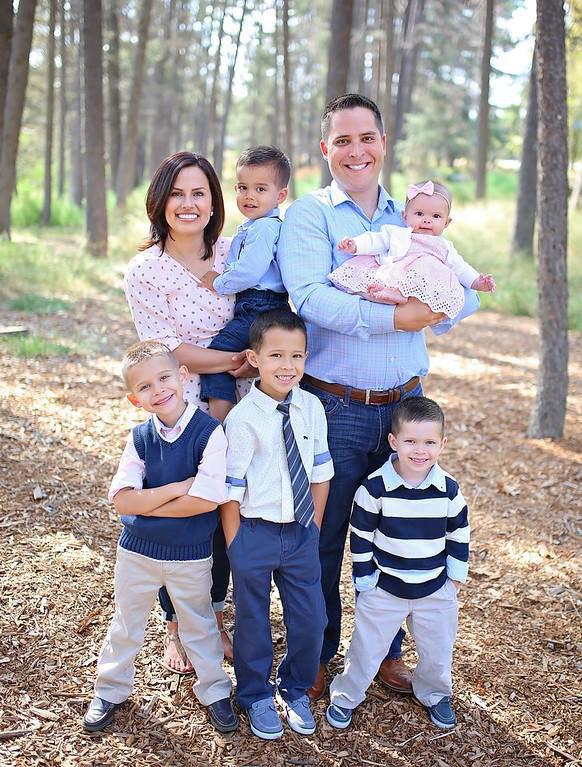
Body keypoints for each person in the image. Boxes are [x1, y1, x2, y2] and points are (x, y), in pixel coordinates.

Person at [277, 93, 480, 700]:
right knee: (323, 539)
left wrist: (434, 309)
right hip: (333, 405)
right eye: (342, 140)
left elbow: (461, 288)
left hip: (405, 406)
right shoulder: (310, 215)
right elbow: (309, 297)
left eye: (366, 137)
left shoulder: (416, 214)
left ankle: (384, 653)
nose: (356, 150)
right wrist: (396, 317)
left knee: (401, 533)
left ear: (383, 144)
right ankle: (315, 654)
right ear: (325, 149)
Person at [124, 151, 250, 668]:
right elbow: (168, 350)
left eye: (199, 193)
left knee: (228, 508)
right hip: (179, 407)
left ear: (214, 201)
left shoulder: (235, 251)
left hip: (244, 401)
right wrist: (237, 360)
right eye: (177, 193)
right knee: (185, 513)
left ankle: (214, 614)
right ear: (160, 201)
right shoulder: (145, 270)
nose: (188, 203)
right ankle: (177, 624)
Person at [83, 340, 238, 734]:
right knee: (126, 623)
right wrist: (176, 488)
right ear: (135, 399)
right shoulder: (139, 438)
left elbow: (206, 500)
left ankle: (215, 691)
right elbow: (121, 500)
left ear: (183, 376)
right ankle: (110, 689)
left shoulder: (209, 433)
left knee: (200, 625)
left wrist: (146, 505)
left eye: (165, 377)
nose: (159, 390)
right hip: (136, 553)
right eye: (145, 386)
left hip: (190, 554)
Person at [220, 309, 334, 740]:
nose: (287, 366)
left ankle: (295, 688)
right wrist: (235, 543)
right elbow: (231, 488)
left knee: (311, 619)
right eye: (276, 356)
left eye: (297, 356)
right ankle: (255, 695)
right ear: (254, 359)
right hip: (254, 532)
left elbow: (321, 474)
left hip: (301, 531)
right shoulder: (243, 418)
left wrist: (314, 527)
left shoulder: (312, 407)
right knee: (253, 620)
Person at [326, 396, 469, 731]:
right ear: (393, 441)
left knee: (437, 650)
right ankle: (346, 695)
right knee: (366, 649)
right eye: (410, 441)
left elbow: (459, 532)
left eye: (430, 443)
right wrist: (365, 578)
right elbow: (361, 534)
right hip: (385, 587)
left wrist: (454, 578)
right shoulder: (375, 488)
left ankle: (435, 694)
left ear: (443, 444)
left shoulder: (448, 489)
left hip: (434, 588)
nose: (420, 451)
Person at [199, 146, 291, 422]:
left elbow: (250, 272)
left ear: (280, 195)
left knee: (217, 357)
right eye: (243, 188)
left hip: (260, 307)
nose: (249, 196)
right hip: (259, 306)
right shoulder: (254, 226)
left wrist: (219, 283)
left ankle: (223, 427)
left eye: (260, 189)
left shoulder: (264, 227)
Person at [331, 179, 496, 317]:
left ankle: (399, 296)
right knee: (366, 284)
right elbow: (376, 240)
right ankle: (386, 293)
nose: (427, 220)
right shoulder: (398, 234)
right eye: (419, 214)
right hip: (397, 274)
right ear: (405, 216)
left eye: (436, 216)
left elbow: (461, 268)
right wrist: (355, 245)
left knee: (428, 267)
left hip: (424, 281)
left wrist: (478, 282)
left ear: (447, 222)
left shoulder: (444, 247)